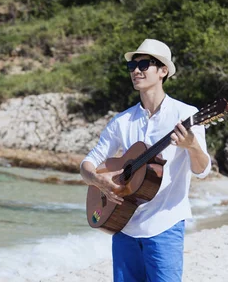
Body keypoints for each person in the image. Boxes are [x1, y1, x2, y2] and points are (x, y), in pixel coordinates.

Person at [80, 38, 211, 282]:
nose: (136, 70)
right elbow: (87, 164)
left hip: (165, 224)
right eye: (132, 66)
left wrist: (192, 145)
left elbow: (202, 170)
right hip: (123, 225)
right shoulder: (121, 121)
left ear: (163, 71)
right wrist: (99, 181)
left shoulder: (186, 115)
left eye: (143, 64)